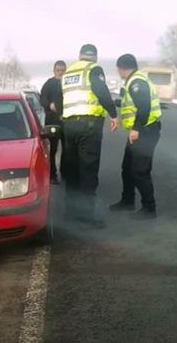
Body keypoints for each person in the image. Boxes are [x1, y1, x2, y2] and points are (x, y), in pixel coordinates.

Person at [62, 44, 118, 229]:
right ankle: (86, 216)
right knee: (88, 170)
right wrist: (113, 113)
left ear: (80, 55)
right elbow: (101, 92)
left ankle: (70, 213)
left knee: (72, 169)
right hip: (89, 125)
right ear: (95, 57)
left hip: (69, 126)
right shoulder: (93, 69)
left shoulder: (69, 72)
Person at [109, 54, 162, 219]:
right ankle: (127, 200)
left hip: (144, 132)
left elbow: (144, 106)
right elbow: (132, 104)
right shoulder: (133, 81)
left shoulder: (137, 82)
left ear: (121, 68)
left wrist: (136, 129)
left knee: (140, 171)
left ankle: (149, 208)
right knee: (127, 168)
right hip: (138, 131)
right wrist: (116, 103)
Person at [40, 60, 67, 184]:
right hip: (52, 121)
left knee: (68, 149)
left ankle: (66, 173)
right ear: (54, 70)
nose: (60, 72)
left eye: (63, 70)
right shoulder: (49, 84)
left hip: (67, 121)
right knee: (52, 149)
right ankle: (52, 175)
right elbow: (42, 99)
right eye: (58, 70)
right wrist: (50, 105)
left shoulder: (68, 84)